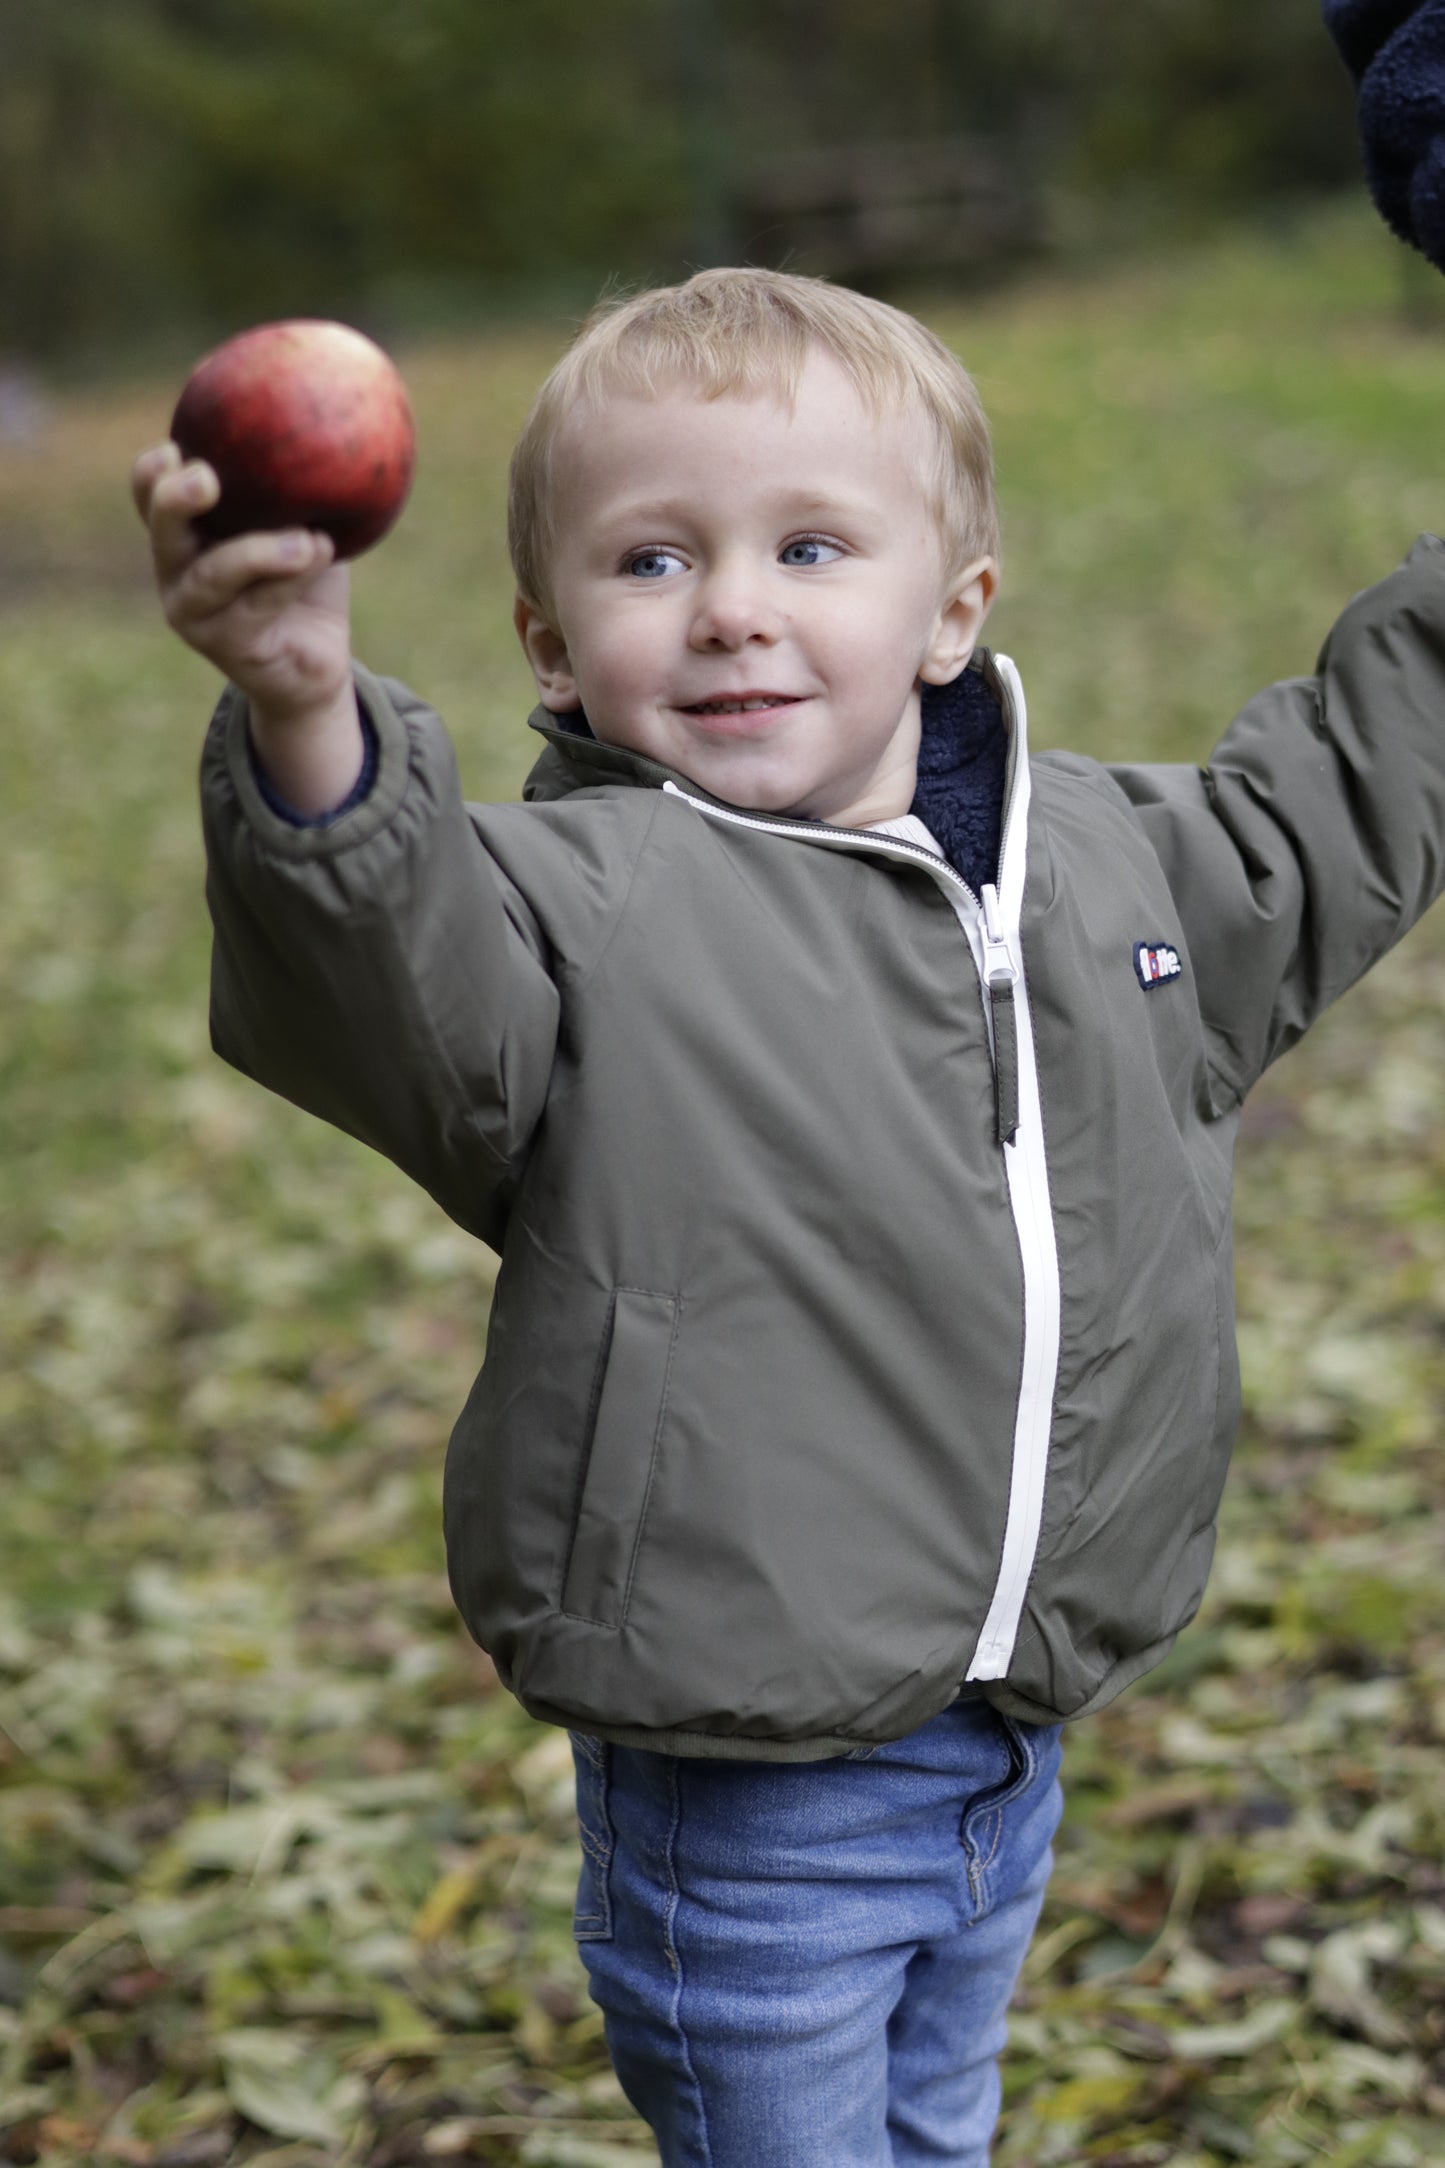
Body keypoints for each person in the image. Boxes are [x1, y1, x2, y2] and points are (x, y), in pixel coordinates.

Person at [131, 262, 1445, 2165]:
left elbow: (1347, 781)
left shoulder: (1110, 874)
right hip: (750, 1799)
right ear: (552, 645)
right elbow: (389, 967)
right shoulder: (576, 917)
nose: (734, 607)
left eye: (811, 545)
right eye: (651, 563)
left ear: (951, 609)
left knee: (939, 2128)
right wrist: (303, 704)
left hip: (1015, 1725)